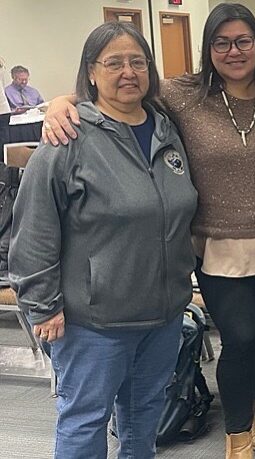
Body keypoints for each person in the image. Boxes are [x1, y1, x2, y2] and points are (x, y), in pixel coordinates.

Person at [42, 4, 255, 457]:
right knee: (241, 335)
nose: (234, 51)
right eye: (221, 42)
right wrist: (63, 102)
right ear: (207, 49)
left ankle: (252, 406)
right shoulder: (183, 96)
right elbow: (118, 90)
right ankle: (237, 431)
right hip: (213, 244)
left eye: (243, 41)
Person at [9, 21, 197, 458]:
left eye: (138, 62)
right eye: (114, 63)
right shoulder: (67, 137)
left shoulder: (167, 129)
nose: (128, 72)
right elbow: (34, 227)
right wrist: (42, 304)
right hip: (93, 322)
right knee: (85, 422)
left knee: (144, 419)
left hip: (163, 315)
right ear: (91, 72)